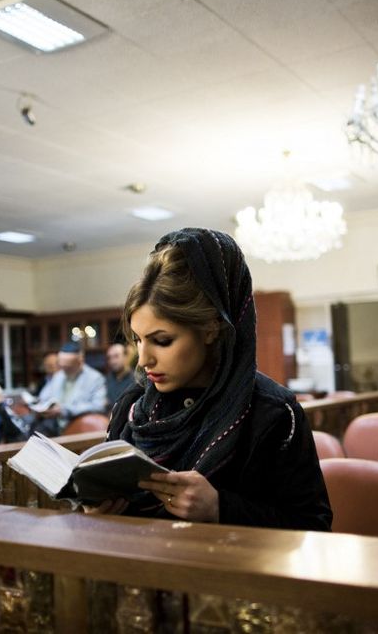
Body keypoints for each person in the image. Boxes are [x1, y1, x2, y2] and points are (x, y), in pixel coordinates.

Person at [94, 228, 332, 532]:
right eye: (138, 341)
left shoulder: (272, 412)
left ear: (210, 328)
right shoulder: (131, 405)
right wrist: (97, 510)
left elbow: (314, 527)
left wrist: (221, 507)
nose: (143, 360)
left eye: (162, 341)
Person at [34, 342, 107, 436]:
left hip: (80, 428)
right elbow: (44, 396)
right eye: (62, 366)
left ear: (80, 361)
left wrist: (65, 410)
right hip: (56, 426)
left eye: (68, 367)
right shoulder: (59, 375)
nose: (64, 370)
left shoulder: (95, 378)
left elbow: (98, 406)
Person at [104, 342, 135, 408]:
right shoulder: (107, 379)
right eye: (109, 358)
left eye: (116, 356)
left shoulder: (136, 380)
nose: (112, 361)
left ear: (125, 357)